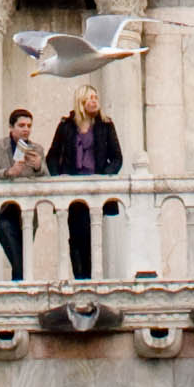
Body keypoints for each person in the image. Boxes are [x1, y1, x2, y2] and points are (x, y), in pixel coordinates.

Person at [45, 81, 124, 279]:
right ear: (81, 102)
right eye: (91, 98)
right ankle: (80, 276)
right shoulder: (66, 126)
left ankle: (88, 277)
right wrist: (58, 179)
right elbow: (52, 156)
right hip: (71, 188)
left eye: (96, 98)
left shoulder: (105, 125)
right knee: (75, 235)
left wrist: (104, 176)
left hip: (94, 187)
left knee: (90, 234)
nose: (95, 102)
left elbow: (117, 157)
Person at [0, 104, 45, 280]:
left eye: (29, 126)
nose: (26, 129)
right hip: (4, 209)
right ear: (11, 127)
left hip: (26, 210)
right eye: (21, 125)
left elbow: (47, 177)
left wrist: (38, 167)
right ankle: (21, 285)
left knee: (22, 256)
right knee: (17, 256)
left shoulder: (37, 149)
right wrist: (8, 172)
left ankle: (18, 284)